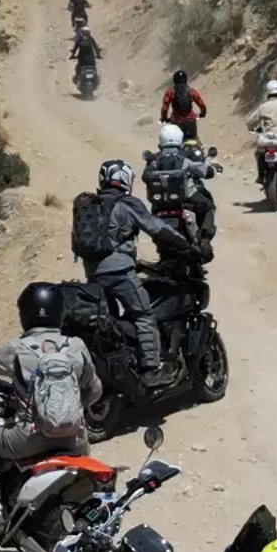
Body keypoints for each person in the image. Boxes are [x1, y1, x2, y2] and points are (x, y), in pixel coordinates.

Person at [0, 282, 103, 535]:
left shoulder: (19, 348)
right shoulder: (76, 346)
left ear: (25, 314)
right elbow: (94, 391)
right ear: (60, 311)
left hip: (31, 437)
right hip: (75, 440)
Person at [76, 159, 196, 388]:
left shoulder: (91, 206)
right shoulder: (127, 203)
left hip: (93, 273)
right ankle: (151, 370)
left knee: (109, 322)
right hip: (120, 271)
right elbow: (157, 228)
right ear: (125, 180)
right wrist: (186, 246)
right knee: (143, 314)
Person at [146, 121, 218, 254]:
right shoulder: (183, 158)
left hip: (161, 202)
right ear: (180, 140)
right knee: (208, 207)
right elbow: (202, 171)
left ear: (161, 141)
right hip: (187, 198)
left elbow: (146, 175)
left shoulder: (155, 160)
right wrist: (210, 171)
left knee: (153, 213)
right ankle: (205, 240)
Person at [161, 70, 209, 142]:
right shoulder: (191, 91)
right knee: (195, 140)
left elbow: (165, 108)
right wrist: (203, 113)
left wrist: (164, 118)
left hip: (176, 121)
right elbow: (202, 105)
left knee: (176, 141)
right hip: (190, 120)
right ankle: (200, 151)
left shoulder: (170, 92)